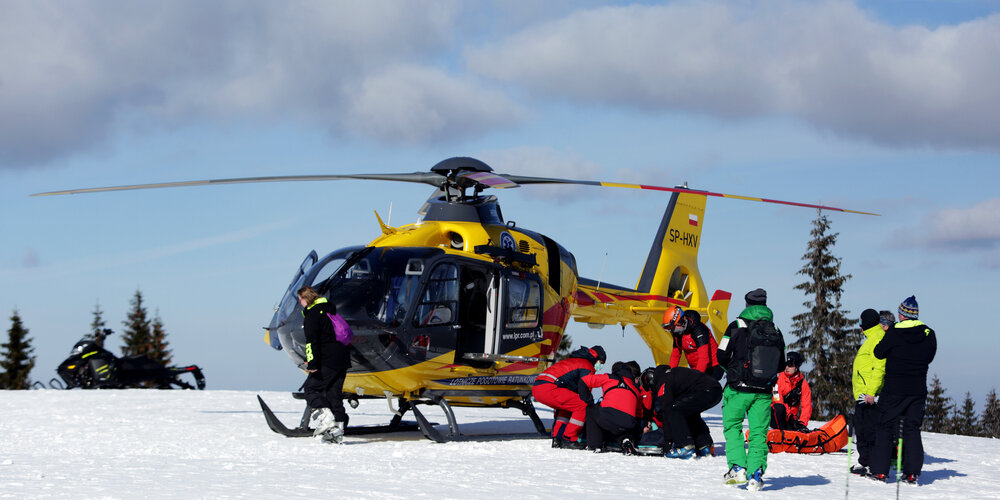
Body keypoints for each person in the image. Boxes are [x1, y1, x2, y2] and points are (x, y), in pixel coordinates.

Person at [717, 288, 785, 492]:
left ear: (747, 305)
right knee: (758, 433)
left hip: (738, 388)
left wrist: (731, 371)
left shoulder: (736, 326)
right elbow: (781, 364)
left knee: (733, 427)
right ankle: (755, 475)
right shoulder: (776, 329)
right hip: (764, 391)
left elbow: (721, 355)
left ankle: (738, 468)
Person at [869, 296, 937, 484]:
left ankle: (881, 471)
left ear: (901, 314)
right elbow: (930, 357)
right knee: (912, 428)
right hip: (917, 389)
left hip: (894, 388)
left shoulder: (894, 333)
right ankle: (912, 472)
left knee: (884, 426)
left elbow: (878, 352)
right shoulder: (928, 334)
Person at [298, 285, 352, 444]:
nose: (300, 302)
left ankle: (325, 417)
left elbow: (311, 342)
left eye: (300, 299)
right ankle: (338, 431)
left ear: (306, 299)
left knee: (311, 388)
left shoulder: (312, 315)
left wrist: (313, 363)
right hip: (342, 359)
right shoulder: (329, 310)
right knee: (333, 394)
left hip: (327, 359)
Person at [532, 345, 606, 448]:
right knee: (582, 405)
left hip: (538, 387)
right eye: (601, 363)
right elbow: (584, 389)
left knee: (568, 407)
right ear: (596, 359)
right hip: (550, 388)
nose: (600, 366)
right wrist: (591, 403)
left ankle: (558, 438)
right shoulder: (587, 366)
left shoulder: (573, 361)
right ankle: (569, 438)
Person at [645, 364, 723, 458]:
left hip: (705, 390)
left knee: (673, 409)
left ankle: (685, 446)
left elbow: (667, 412)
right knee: (688, 412)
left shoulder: (663, 382)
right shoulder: (672, 374)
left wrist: (667, 442)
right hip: (715, 390)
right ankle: (704, 446)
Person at [850, 308, 887, 476]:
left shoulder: (877, 339)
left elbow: (879, 369)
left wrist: (872, 392)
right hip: (862, 393)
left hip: (869, 394)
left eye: (860, 322)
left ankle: (873, 463)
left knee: (870, 430)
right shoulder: (872, 338)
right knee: (861, 428)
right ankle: (864, 461)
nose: (859, 326)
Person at [578, 361, 644, 453]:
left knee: (592, 410)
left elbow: (584, 381)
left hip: (608, 417)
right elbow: (639, 414)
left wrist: (589, 400)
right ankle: (625, 440)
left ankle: (594, 445)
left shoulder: (609, 377)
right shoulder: (635, 388)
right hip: (628, 423)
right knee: (619, 426)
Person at [664, 306, 723, 380]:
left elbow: (704, 358)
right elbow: (675, 354)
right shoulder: (678, 333)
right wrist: (670, 374)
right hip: (695, 369)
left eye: (672, 328)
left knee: (699, 388)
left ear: (680, 322)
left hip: (713, 367)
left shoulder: (699, 329)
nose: (672, 331)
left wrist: (694, 378)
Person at [770, 351, 812, 431]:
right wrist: (789, 417)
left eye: (790, 366)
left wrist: (802, 423)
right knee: (779, 408)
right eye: (785, 365)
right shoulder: (778, 380)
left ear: (796, 367)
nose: (787, 368)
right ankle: (780, 433)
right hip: (776, 416)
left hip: (791, 419)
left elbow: (806, 405)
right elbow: (777, 400)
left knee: (794, 428)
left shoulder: (803, 384)